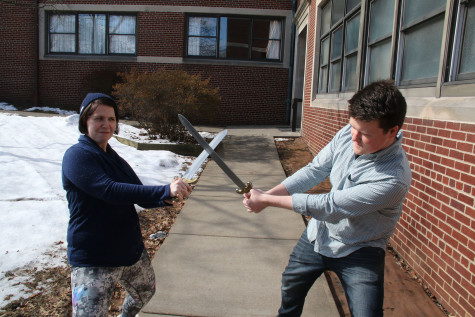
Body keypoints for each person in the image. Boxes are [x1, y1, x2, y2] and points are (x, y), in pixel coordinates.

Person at [243, 80, 412, 317]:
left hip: (360, 248)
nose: (353, 137)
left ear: (392, 131)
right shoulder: (348, 133)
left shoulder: (393, 179)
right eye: (353, 126)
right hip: (319, 235)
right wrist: (266, 195)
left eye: (364, 133)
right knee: (291, 286)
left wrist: (268, 201)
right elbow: (315, 170)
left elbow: (330, 206)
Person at [62, 93, 192, 317]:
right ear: (85, 122)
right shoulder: (77, 156)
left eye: (112, 119)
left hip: (128, 251)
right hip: (94, 258)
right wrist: (164, 190)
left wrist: (167, 194)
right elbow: (108, 190)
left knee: (145, 293)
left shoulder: (114, 158)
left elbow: (139, 195)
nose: (107, 124)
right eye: (99, 118)